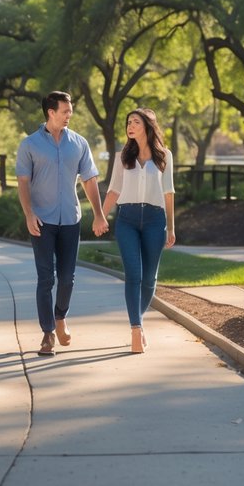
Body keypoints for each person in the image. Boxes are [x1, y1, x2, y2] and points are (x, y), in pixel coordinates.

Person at [16, 91, 110, 356]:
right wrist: (29, 213)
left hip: (70, 218)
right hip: (42, 220)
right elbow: (22, 182)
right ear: (51, 112)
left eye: (70, 111)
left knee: (67, 278)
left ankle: (60, 317)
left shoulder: (79, 143)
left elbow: (89, 179)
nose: (70, 115)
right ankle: (47, 334)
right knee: (46, 278)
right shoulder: (30, 145)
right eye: (65, 111)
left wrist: (99, 214)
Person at [102, 107, 175, 353]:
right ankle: (136, 329)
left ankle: (138, 323)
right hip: (127, 220)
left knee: (149, 278)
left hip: (155, 221)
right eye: (128, 122)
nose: (130, 126)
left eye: (135, 122)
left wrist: (171, 228)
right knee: (133, 274)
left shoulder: (164, 156)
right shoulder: (122, 156)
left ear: (147, 126)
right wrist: (101, 217)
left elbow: (169, 193)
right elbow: (113, 190)